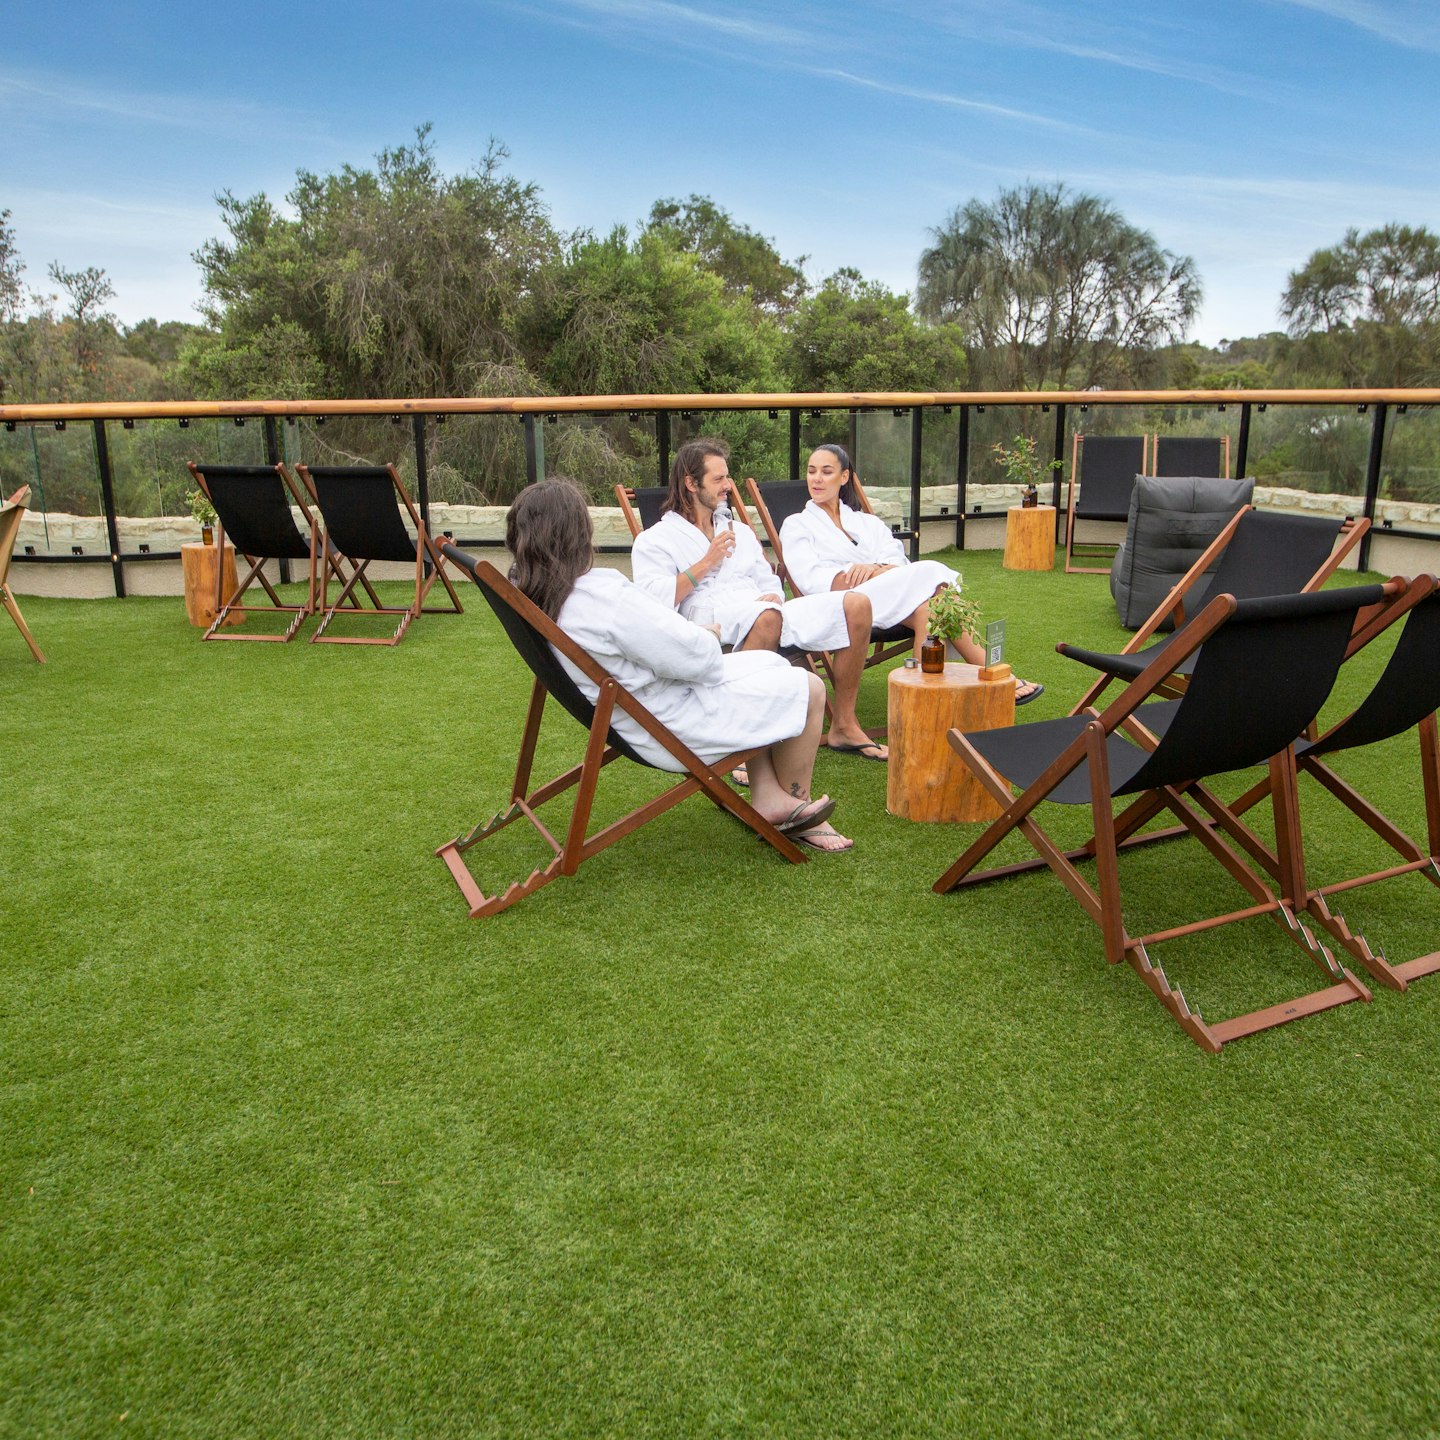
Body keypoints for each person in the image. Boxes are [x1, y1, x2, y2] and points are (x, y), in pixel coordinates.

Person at [507, 477, 853, 852]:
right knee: (808, 686)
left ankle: (769, 795)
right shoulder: (601, 597)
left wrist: (689, 638)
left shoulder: (538, 594)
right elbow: (699, 661)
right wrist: (707, 634)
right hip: (670, 722)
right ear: (578, 532)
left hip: (635, 711)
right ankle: (792, 808)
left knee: (771, 663)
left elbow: (655, 644)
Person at [630, 439, 886, 759]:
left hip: (764, 609)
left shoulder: (738, 530)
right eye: (719, 479)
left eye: (728, 477)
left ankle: (844, 725)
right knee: (766, 615)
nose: (728, 486)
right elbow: (652, 601)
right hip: (708, 618)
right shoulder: (655, 540)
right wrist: (705, 563)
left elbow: (765, 578)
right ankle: (740, 746)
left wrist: (774, 596)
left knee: (855, 603)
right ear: (691, 484)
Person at [780, 444, 1044, 705]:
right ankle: (994, 673)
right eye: (811, 471)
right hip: (840, 603)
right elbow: (811, 580)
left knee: (931, 609)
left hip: (887, 599)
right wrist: (860, 573)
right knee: (932, 576)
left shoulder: (866, 523)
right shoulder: (796, 525)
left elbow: (897, 560)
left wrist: (875, 570)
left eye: (826, 472)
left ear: (844, 477)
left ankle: (920, 699)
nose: (816, 478)